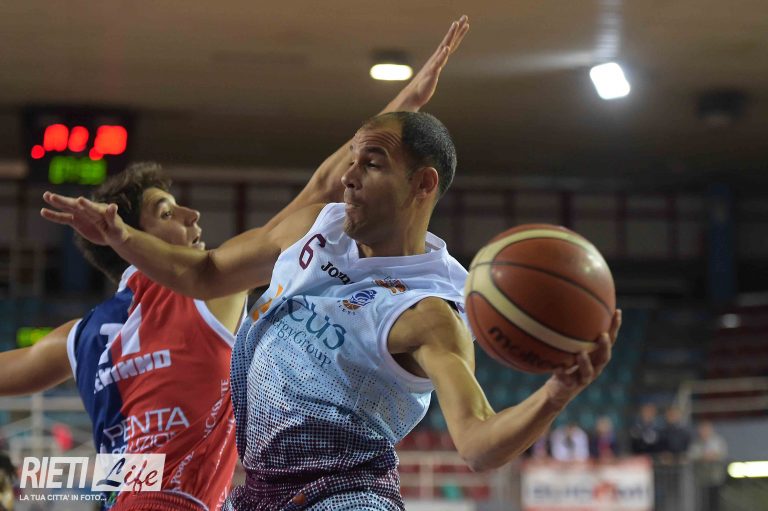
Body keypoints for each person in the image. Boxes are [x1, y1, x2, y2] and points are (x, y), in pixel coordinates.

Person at [42, 18, 620, 511]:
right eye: (353, 160)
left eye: (372, 164)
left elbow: (477, 444)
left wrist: (555, 395)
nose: (349, 176)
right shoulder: (318, 227)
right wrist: (119, 234)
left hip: (345, 496)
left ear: (423, 185)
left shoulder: (430, 311)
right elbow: (204, 272)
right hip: (260, 492)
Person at [5, 17, 469, 511]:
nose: (192, 215)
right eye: (167, 212)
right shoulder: (209, 295)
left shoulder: (79, 337)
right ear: (131, 236)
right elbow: (321, 189)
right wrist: (405, 108)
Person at [690, 421, 727, 511]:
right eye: (702, 430)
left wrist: (713, 456)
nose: (704, 432)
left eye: (706, 429)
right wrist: (703, 457)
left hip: (716, 477)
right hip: (701, 479)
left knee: (715, 502)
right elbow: (692, 455)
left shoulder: (718, 441)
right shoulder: (696, 443)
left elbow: (722, 454)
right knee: (702, 503)